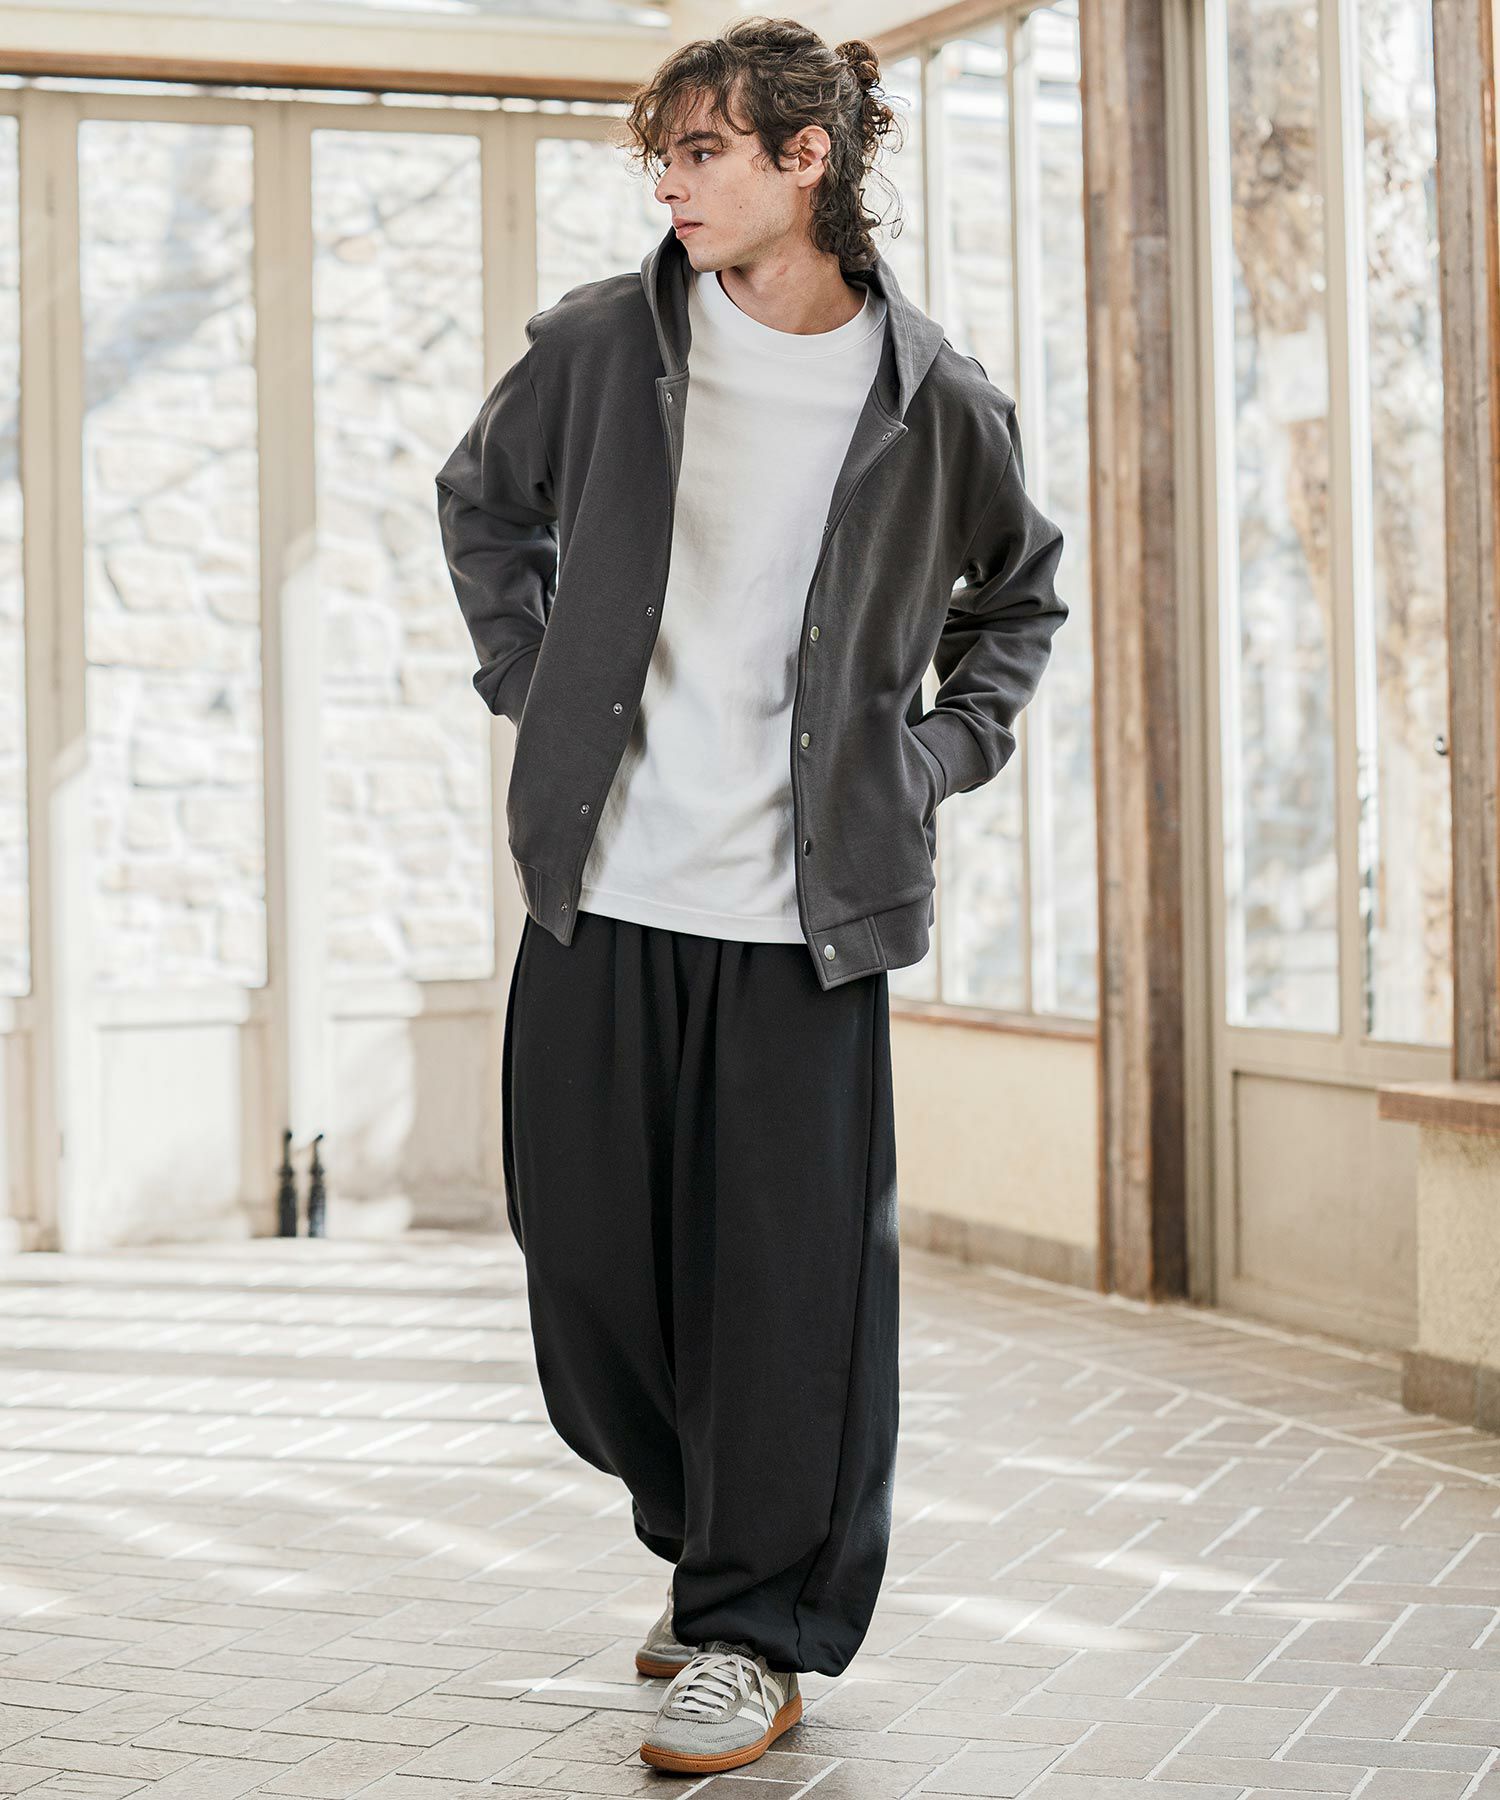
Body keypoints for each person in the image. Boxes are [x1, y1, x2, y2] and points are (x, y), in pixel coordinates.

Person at [434, 15, 1067, 1776]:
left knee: (791, 1300)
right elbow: (481, 507)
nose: (672, 180)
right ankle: (711, 1537)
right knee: (587, 1274)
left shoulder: (932, 398)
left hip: (806, 921)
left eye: (705, 149)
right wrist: (533, 678)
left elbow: (1016, 603)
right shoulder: (602, 346)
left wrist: (931, 759)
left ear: (809, 158)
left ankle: (754, 1626)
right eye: (666, 152)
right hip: (604, 891)